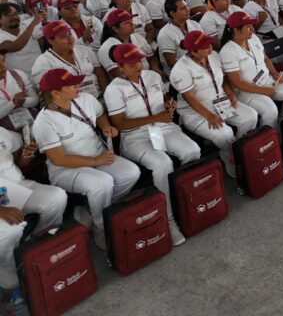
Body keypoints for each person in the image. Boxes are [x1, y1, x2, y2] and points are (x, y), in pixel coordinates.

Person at [33, 68, 140, 250]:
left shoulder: (85, 99)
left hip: (97, 154)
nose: (78, 85)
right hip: (67, 169)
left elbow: (100, 115)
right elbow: (59, 159)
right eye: (72, 84)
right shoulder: (44, 122)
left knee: (131, 173)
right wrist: (95, 161)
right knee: (101, 183)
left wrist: (106, 127)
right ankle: (101, 226)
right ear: (55, 93)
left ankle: (96, 211)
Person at [103, 43, 198, 246]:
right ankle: (168, 219)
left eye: (138, 60)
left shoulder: (152, 76)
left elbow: (162, 96)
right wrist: (154, 117)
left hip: (163, 127)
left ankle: (189, 201)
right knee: (162, 163)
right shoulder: (114, 90)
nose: (137, 65)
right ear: (119, 66)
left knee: (193, 150)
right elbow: (119, 123)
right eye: (130, 63)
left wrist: (167, 103)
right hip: (135, 137)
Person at [0, 114, 67, 309]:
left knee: (56, 197)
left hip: (17, 186)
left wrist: (26, 155)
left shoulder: (3, 133)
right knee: (10, 231)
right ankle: (11, 285)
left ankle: (37, 250)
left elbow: (19, 163)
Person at [170, 31, 259, 178]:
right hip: (197, 112)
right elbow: (189, 98)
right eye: (205, 45)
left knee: (250, 116)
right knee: (225, 134)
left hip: (221, 101)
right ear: (193, 52)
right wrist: (209, 115)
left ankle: (240, 153)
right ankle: (229, 156)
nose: (210, 46)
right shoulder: (181, 70)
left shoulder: (214, 56)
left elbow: (222, 79)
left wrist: (229, 93)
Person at [220, 11, 283, 132]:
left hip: (266, 80)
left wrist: (274, 73)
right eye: (248, 27)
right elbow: (237, 83)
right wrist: (263, 91)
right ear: (236, 30)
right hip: (246, 91)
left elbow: (265, 59)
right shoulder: (228, 51)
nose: (252, 29)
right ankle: (269, 137)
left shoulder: (253, 39)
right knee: (270, 110)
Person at [32, 20, 108, 99]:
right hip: (71, 104)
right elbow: (47, 92)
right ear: (51, 41)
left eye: (70, 34)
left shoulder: (85, 50)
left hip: (98, 98)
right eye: (63, 36)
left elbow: (101, 75)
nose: (70, 39)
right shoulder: (43, 62)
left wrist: (106, 97)